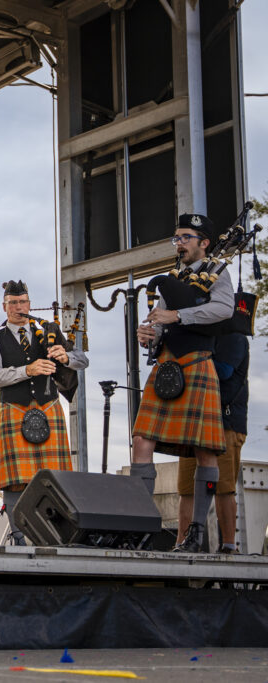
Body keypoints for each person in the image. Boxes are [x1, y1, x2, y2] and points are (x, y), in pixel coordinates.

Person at [132, 214, 233, 553]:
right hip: (166, 364)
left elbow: (224, 309)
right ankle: (140, 524)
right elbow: (160, 322)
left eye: (186, 237)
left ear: (204, 242)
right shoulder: (172, 278)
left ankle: (196, 532)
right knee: (141, 439)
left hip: (197, 363)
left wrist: (177, 315)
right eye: (176, 238)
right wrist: (150, 334)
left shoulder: (218, 272)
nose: (179, 243)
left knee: (205, 450)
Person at [0, 280, 88, 545]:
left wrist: (66, 357)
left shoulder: (48, 332)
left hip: (49, 408)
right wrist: (27, 370)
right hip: (14, 410)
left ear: (29, 304)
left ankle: (57, 539)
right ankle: (18, 539)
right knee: (15, 481)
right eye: (13, 303)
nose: (18, 307)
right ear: (4, 307)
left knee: (56, 479)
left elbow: (83, 360)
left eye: (22, 302)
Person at [175, 332, 248, 553]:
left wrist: (187, 357)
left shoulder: (234, 337)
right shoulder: (204, 336)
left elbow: (223, 371)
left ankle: (229, 546)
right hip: (195, 421)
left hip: (226, 422)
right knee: (186, 488)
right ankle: (181, 543)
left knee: (223, 487)